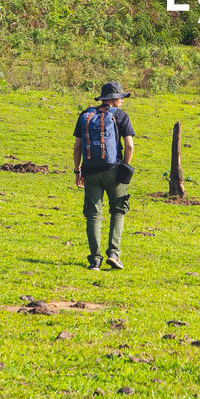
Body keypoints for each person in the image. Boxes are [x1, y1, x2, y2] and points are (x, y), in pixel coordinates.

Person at [73, 81, 135, 270]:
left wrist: (78, 171)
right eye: (121, 98)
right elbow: (130, 146)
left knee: (93, 214)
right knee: (118, 210)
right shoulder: (121, 116)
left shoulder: (85, 115)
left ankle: (95, 260)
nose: (122, 102)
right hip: (114, 170)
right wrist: (126, 165)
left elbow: (77, 146)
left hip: (90, 171)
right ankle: (114, 254)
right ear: (113, 99)